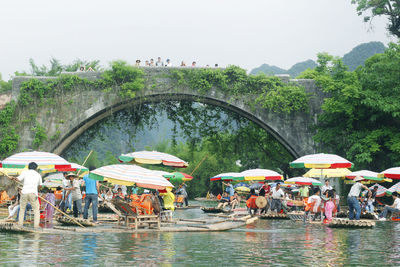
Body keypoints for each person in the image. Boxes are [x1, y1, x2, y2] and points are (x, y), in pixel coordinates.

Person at [14, 162, 42, 228]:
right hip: (33, 193)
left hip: (24, 193)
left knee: (22, 209)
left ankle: (20, 225)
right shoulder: (38, 174)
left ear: (28, 167)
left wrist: (13, 178)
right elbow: (40, 185)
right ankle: (36, 226)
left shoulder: (25, 172)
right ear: (36, 168)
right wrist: (36, 189)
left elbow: (18, 179)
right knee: (36, 210)